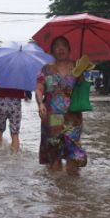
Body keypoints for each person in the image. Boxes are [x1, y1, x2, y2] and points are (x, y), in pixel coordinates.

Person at [35, 36, 87, 175]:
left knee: (73, 156)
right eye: (56, 46)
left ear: (69, 49)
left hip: (73, 117)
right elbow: (39, 89)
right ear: (52, 51)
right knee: (55, 156)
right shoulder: (46, 69)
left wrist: (81, 73)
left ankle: (72, 192)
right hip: (53, 117)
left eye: (64, 45)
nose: (60, 48)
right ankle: (55, 193)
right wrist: (40, 104)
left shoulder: (77, 66)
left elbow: (82, 89)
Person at [0, 85, 25, 153]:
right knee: (15, 132)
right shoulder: (21, 76)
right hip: (15, 104)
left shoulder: (1, 74)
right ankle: (15, 157)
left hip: (1, 102)